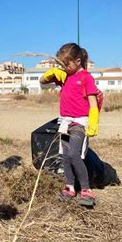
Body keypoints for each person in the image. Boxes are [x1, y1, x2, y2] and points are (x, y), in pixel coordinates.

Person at [40, 43, 99, 206]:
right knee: (65, 156)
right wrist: (51, 72)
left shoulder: (85, 77)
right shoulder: (65, 76)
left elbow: (93, 103)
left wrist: (93, 122)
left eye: (67, 64)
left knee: (74, 154)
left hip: (79, 122)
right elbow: (43, 81)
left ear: (78, 61)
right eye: (62, 64)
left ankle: (86, 190)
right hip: (65, 122)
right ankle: (70, 187)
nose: (64, 67)